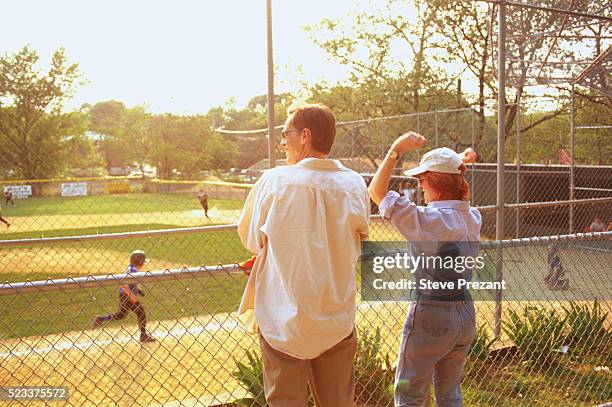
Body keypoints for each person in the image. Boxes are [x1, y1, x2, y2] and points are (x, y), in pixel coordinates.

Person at [237, 103, 370, 407]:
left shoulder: (274, 181)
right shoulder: (354, 183)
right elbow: (360, 238)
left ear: (305, 136)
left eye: (286, 133)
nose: (283, 141)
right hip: (336, 318)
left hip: (284, 321)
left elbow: (251, 239)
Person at [368, 132, 480, 407]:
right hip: (465, 314)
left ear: (435, 183)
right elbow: (454, 194)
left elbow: (376, 192)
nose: (421, 187)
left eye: (422, 180)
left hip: (431, 316)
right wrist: (457, 163)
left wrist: (395, 150)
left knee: (409, 394)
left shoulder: (428, 220)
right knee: (449, 393)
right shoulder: (473, 217)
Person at [91, 250, 156, 343]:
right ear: (140, 262)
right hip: (127, 296)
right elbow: (124, 284)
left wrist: (138, 291)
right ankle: (143, 335)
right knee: (141, 312)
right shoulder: (132, 271)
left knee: (121, 315)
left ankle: (101, 318)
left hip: (125, 295)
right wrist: (132, 297)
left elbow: (131, 283)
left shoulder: (133, 269)